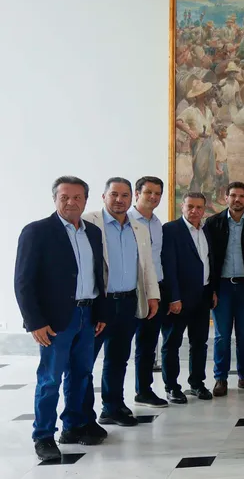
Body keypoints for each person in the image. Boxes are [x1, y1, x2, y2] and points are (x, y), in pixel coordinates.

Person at [15, 177, 108, 460]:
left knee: (81, 375)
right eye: (65, 197)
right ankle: (43, 435)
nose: (71, 202)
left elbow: (97, 275)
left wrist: (100, 312)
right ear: (55, 199)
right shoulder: (37, 232)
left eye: (77, 197)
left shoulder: (92, 232)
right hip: (55, 320)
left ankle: (72, 426)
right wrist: (34, 322)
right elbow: (23, 282)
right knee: (50, 379)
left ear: (85, 200)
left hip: (87, 314)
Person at [81, 178, 159, 427]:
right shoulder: (88, 222)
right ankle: (82, 416)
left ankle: (112, 406)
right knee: (85, 362)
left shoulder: (139, 227)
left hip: (127, 302)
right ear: (103, 196)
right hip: (99, 304)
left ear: (131, 198)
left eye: (124, 195)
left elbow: (146, 267)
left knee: (118, 358)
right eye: (114, 194)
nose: (119, 200)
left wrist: (151, 295)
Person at [204, 182, 244, 396]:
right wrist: (210, 289)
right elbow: (207, 260)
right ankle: (220, 378)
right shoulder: (212, 223)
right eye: (233, 195)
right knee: (221, 336)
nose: (237, 199)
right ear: (226, 197)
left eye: (241, 196)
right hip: (222, 287)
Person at [161, 192, 216, 404]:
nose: (194, 211)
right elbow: (169, 266)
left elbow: (210, 262)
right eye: (190, 206)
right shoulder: (172, 230)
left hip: (202, 296)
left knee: (199, 342)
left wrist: (212, 291)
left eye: (199, 207)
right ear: (182, 207)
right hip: (179, 299)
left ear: (204, 209)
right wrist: (174, 298)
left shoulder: (206, 229)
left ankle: (196, 383)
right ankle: (172, 387)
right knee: (172, 343)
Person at [129, 177, 170, 409]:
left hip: (157, 287)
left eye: (157, 193)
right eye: (148, 192)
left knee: (148, 342)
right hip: (134, 289)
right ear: (137, 194)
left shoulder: (156, 223)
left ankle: (143, 390)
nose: (153, 197)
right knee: (124, 346)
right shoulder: (128, 221)